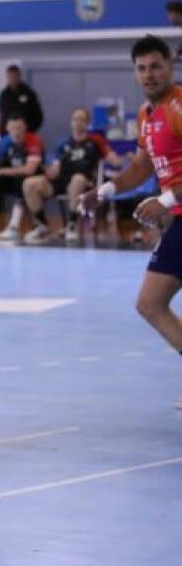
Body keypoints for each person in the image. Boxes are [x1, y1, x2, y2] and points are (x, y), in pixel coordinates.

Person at [79, 35, 182, 410]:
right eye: (142, 68)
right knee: (150, 303)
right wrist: (103, 191)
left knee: (151, 303)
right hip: (178, 221)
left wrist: (166, 199)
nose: (149, 74)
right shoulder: (146, 115)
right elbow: (141, 165)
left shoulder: (178, 106)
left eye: (156, 66)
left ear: (170, 66)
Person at [22, 108, 115, 243]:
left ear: (88, 123)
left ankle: (71, 225)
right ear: (71, 122)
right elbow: (54, 166)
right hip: (61, 181)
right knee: (29, 184)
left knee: (77, 180)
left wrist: (120, 156)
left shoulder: (96, 141)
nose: (78, 123)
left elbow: (113, 158)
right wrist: (52, 170)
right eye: (75, 120)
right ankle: (43, 225)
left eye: (82, 120)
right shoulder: (63, 144)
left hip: (84, 182)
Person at [0, 114, 45, 241]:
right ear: (7, 128)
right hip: (11, 178)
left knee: (21, 180)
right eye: (13, 128)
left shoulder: (33, 140)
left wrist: (1, 171)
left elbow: (29, 169)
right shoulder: (3, 142)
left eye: (19, 128)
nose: (16, 132)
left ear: (25, 128)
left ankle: (14, 226)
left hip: (32, 179)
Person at [0, 64, 44, 133]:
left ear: (19, 76)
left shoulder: (29, 93)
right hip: (8, 133)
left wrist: (30, 129)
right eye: (10, 76)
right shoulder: (4, 94)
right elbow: (3, 115)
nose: (12, 78)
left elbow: (38, 115)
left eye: (14, 75)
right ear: (7, 77)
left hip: (27, 132)